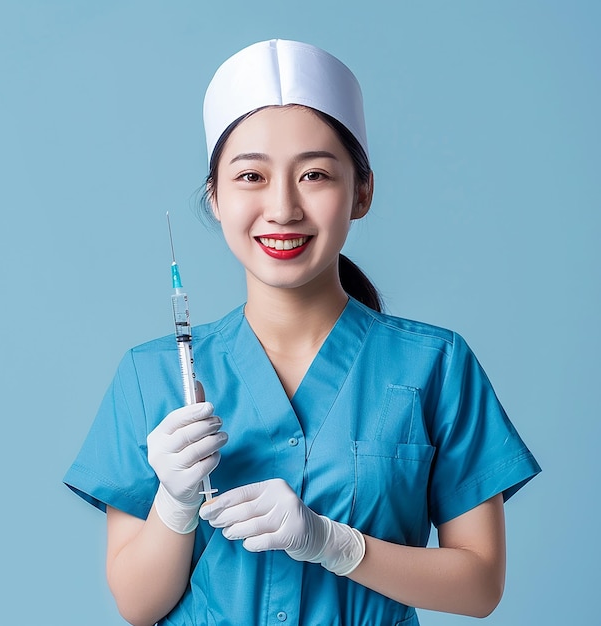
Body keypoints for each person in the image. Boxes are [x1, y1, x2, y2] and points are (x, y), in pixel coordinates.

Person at [64, 39, 541, 626]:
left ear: (361, 192)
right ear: (216, 198)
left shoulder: (435, 366)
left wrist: (335, 544)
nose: (283, 207)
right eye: (251, 177)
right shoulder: (152, 375)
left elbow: (480, 588)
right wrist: (175, 501)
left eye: (314, 174)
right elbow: (138, 607)